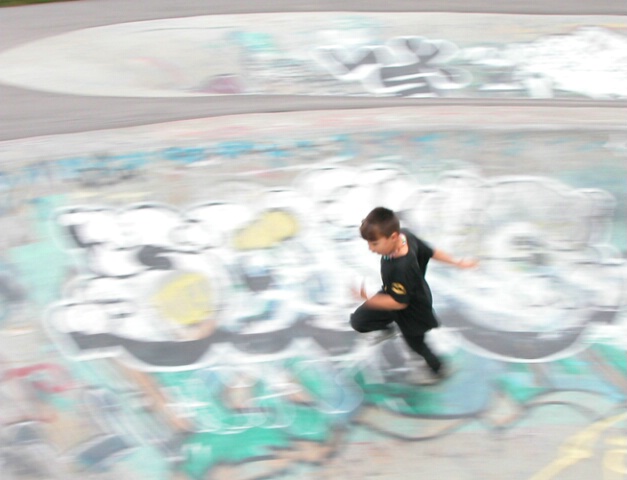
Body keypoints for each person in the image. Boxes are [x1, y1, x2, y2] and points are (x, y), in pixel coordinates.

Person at [350, 206, 477, 384]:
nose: (371, 248)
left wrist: (368, 299)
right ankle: (387, 328)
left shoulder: (402, 267)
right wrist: (457, 262)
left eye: (375, 243)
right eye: (369, 243)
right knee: (358, 321)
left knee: (417, 345)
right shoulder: (405, 236)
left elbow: (398, 304)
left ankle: (439, 369)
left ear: (392, 237)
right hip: (393, 294)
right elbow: (431, 251)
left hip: (413, 309)